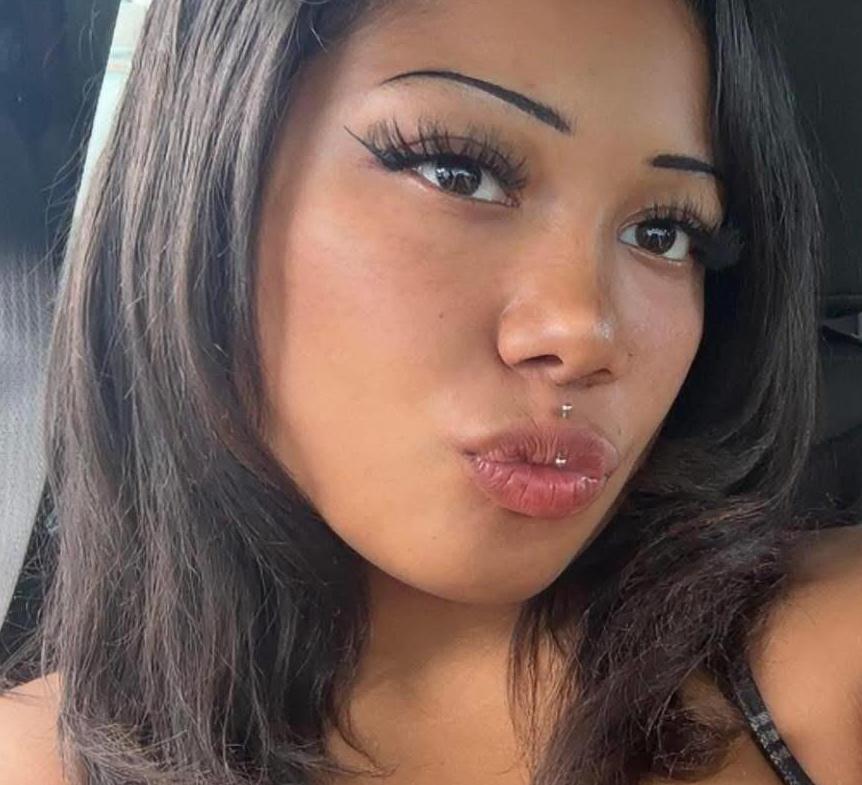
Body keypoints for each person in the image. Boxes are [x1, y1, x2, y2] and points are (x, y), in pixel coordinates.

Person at [1, 0, 860, 783]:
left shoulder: (826, 656)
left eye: (664, 232)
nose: (584, 332)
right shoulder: (36, 758)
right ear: (209, 181)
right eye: (457, 173)